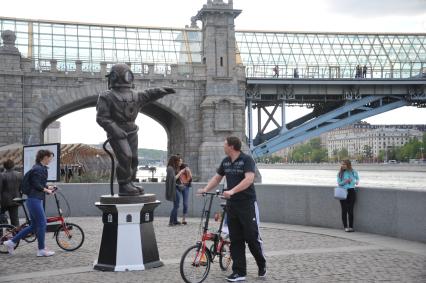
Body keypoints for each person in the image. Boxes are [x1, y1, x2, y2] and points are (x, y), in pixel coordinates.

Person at [96, 63, 175, 196]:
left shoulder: (135, 95)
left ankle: (130, 182)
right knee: (125, 157)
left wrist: (162, 91)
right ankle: (123, 184)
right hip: (117, 133)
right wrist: (114, 129)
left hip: (132, 131)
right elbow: (102, 118)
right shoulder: (106, 96)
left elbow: (149, 94)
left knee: (134, 158)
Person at [198, 136, 266, 282]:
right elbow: (217, 178)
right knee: (236, 239)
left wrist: (233, 191)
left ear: (232, 146)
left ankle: (262, 263)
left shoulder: (246, 160)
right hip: (232, 205)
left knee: (251, 237)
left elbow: (249, 179)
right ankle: (239, 272)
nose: (223, 146)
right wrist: (205, 189)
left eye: (225, 144)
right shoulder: (226, 161)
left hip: (247, 204)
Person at [3, 150, 57, 256]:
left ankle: (11, 242)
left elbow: (37, 184)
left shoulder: (38, 168)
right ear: (45, 157)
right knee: (42, 223)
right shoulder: (38, 169)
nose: (51, 160)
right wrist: (47, 190)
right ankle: (41, 250)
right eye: (50, 157)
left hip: (34, 199)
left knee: (34, 225)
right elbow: (36, 184)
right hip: (34, 200)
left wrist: (48, 187)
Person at [337, 159, 360, 232]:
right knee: (344, 210)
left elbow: (357, 179)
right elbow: (339, 183)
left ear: (348, 165)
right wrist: (346, 181)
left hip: (351, 191)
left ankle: (351, 226)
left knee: (350, 210)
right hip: (343, 191)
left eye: (344, 164)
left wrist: (356, 182)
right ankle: (345, 227)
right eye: (342, 164)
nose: (342, 165)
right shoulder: (340, 173)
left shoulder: (353, 172)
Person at [165, 155, 187, 226]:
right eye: (177, 160)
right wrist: (180, 172)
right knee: (176, 206)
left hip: (176, 188)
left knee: (176, 205)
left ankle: (175, 220)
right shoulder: (170, 168)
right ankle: (171, 222)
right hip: (174, 189)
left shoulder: (172, 168)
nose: (178, 162)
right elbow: (173, 179)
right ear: (174, 161)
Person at [0, 159, 22, 227]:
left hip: (4, 201)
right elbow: (21, 188)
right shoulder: (19, 174)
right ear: (13, 166)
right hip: (16, 199)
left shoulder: (2, 175)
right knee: (15, 219)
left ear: (4, 167)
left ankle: (2, 232)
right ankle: (16, 235)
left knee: (1, 216)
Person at [177, 157, 192, 225]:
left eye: (181, 161)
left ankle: (184, 219)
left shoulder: (185, 168)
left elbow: (190, 177)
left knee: (185, 203)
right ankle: (175, 219)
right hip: (178, 186)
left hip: (185, 186)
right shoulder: (175, 168)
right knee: (176, 203)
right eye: (179, 161)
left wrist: (184, 182)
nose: (180, 162)